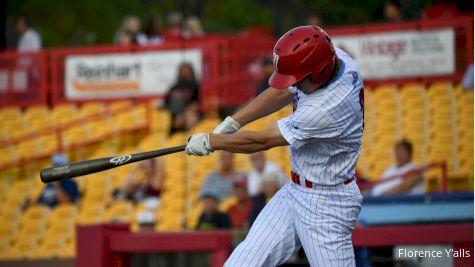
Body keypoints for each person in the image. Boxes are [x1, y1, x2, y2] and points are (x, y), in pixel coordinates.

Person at [186, 25, 364, 266]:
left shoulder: (326, 108)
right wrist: (233, 121)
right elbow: (282, 92)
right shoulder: (335, 59)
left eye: (299, 80)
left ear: (319, 71)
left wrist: (212, 141)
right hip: (295, 191)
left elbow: (263, 140)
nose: (295, 85)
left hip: (327, 204)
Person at [165, 62, 201, 134]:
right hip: (175, 117)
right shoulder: (175, 87)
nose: (185, 73)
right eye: (183, 71)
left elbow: (196, 104)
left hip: (189, 114)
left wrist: (183, 115)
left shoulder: (196, 86)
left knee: (191, 118)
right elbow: (166, 103)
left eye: (187, 71)